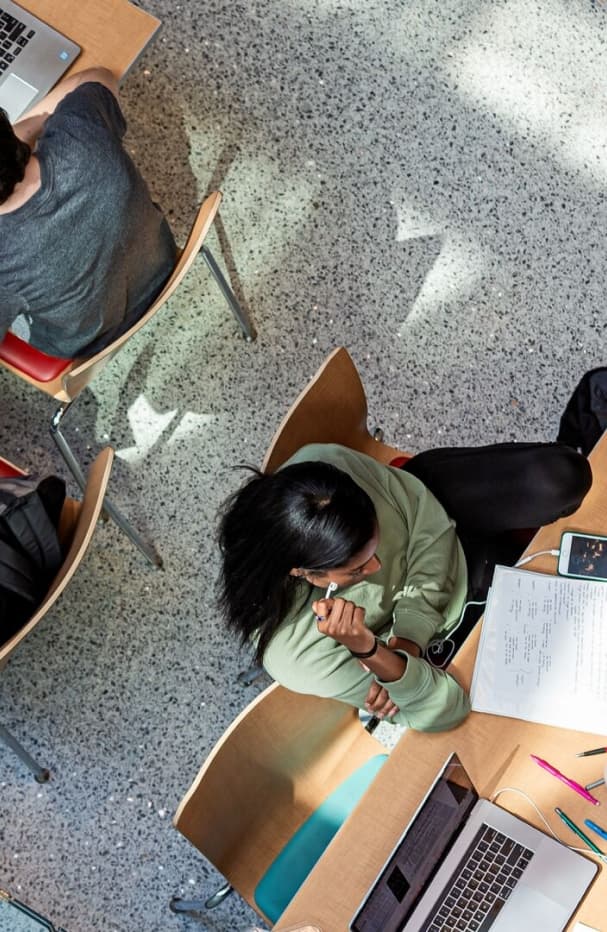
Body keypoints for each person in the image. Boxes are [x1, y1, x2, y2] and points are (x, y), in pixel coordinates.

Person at [218, 441, 591, 732]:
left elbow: (432, 528)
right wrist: (368, 650)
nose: (378, 567)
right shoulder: (293, 655)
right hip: (441, 634)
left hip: (442, 527)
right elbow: (443, 709)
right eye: (358, 570)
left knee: (561, 477)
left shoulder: (326, 469)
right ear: (304, 573)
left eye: (376, 546)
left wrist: (406, 638)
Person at [0, 67, 177, 358]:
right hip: (161, 262)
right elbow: (99, 76)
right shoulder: (81, 131)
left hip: (89, 342)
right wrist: (20, 133)